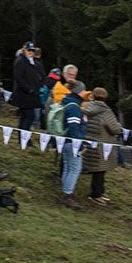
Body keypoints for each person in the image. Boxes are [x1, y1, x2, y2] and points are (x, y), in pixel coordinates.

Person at [81, 87, 125, 205]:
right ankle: (96, 194)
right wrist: (119, 126)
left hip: (89, 142)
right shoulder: (106, 111)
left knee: (96, 170)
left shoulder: (87, 107)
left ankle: (99, 191)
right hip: (102, 144)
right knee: (100, 171)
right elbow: (114, 128)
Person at [56, 80, 89, 209]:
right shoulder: (74, 107)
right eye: (83, 91)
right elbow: (74, 128)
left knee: (68, 167)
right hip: (72, 142)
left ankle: (66, 192)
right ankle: (68, 195)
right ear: (79, 92)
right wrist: (79, 146)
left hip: (65, 140)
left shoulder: (67, 103)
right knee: (75, 168)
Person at [11, 42, 45, 131]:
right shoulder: (20, 61)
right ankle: (24, 137)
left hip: (33, 94)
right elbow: (18, 78)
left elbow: (39, 75)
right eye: (29, 50)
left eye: (32, 50)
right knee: (29, 116)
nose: (30, 52)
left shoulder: (34, 62)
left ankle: (23, 137)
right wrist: (28, 89)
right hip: (24, 94)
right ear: (24, 50)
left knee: (26, 116)